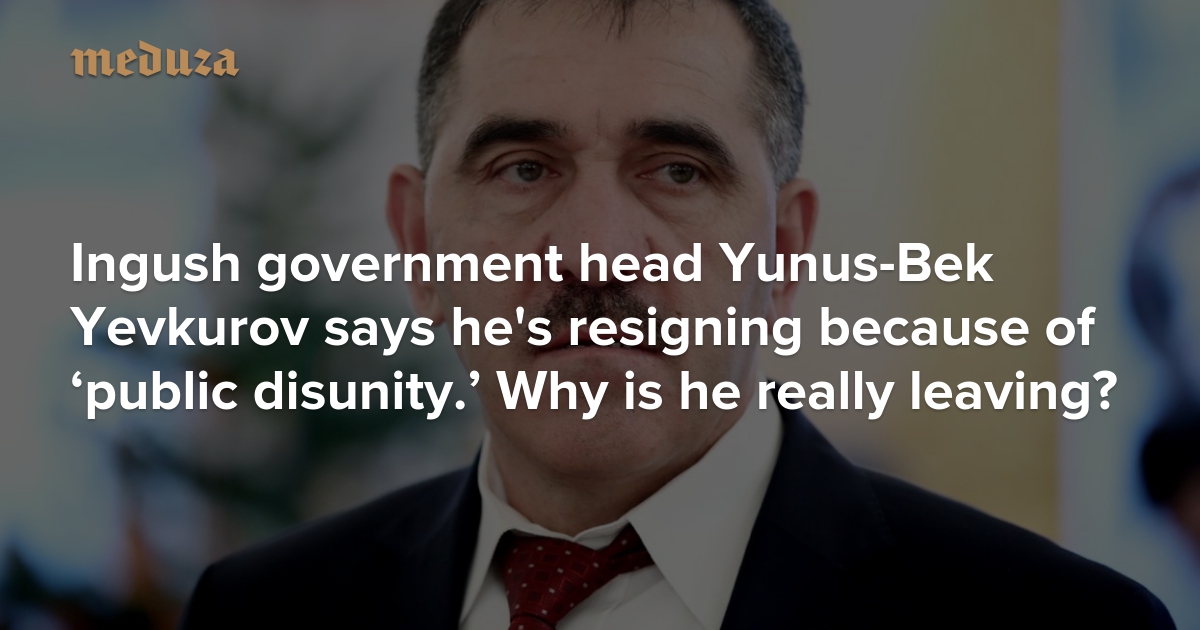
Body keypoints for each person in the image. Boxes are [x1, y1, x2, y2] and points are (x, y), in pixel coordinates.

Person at [180, 0, 1175, 627]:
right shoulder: (258, 612)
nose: (596, 249)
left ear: (782, 250)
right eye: (523, 169)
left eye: (678, 171)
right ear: (420, 242)